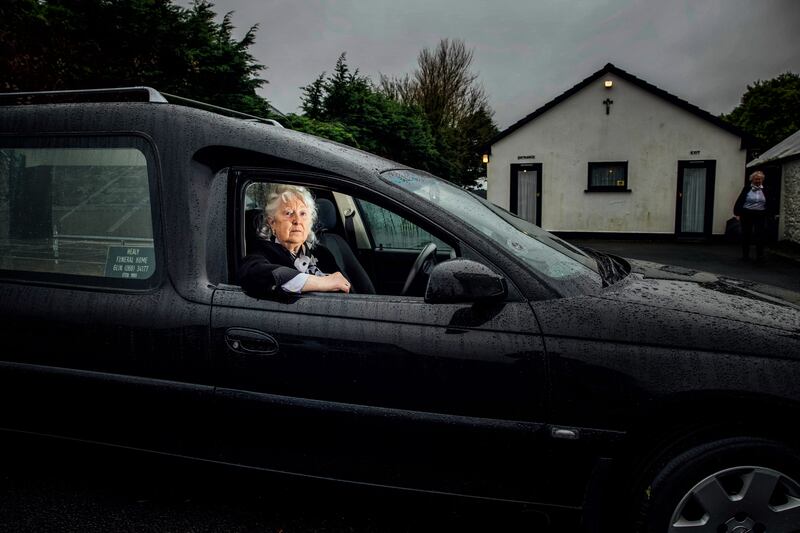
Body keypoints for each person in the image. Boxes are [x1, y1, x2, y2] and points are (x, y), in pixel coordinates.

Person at [238, 184, 351, 298]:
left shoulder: (323, 253)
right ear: (272, 222)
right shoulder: (262, 252)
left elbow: (346, 290)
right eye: (288, 213)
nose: (297, 221)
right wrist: (321, 282)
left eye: (303, 213)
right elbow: (253, 274)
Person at [733, 170, 775, 262]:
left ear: (762, 180)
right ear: (752, 180)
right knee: (746, 235)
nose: (758, 181)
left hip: (760, 214)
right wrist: (737, 213)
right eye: (756, 179)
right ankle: (745, 256)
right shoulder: (746, 188)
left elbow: (770, 202)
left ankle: (760, 256)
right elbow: (740, 200)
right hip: (747, 213)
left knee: (760, 235)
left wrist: (770, 213)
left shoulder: (766, 189)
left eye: (760, 179)